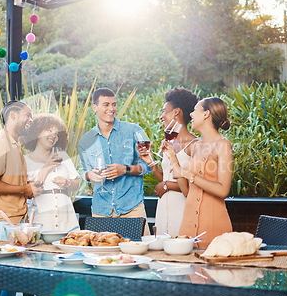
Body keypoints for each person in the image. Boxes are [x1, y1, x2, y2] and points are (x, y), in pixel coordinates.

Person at [78, 88, 151, 235]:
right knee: (101, 256)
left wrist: (125, 169)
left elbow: (148, 166)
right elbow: (83, 171)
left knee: (137, 254)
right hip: (100, 211)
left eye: (114, 104)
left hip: (132, 209)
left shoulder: (134, 131)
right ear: (95, 108)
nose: (111, 109)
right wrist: (89, 176)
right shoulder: (86, 140)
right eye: (106, 105)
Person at [166, 97, 233, 248]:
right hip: (188, 229)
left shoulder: (223, 145)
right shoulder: (196, 147)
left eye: (195, 110)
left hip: (213, 227)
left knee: (213, 272)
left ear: (206, 114)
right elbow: (187, 192)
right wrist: (173, 159)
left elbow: (223, 190)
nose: (191, 114)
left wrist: (188, 174)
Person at [138, 87, 198, 236]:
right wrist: (151, 162)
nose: (161, 116)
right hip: (164, 209)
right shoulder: (168, 142)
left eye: (164, 111)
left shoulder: (195, 145)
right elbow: (164, 179)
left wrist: (168, 185)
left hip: (183, 209)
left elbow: (194, 187)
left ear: (176, 112)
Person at [0, 100, 43, 241]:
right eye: (28, 115)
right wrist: (24, 189)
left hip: (15, 222)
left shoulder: (15, 145)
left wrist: (29, 187)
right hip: (1, 223)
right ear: (13, 115)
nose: (31, 120)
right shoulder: (0, 144)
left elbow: (8, 181)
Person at [23, 113, 80, 232]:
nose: (53, 136)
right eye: (49, 130)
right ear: (37, 132)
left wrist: (67, 183)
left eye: (56, 134)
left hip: (67, 220)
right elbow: (30, 192)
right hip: (41, 221)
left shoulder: (62, 156)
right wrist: (46, 167)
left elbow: (76, 184)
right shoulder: (25, 160)